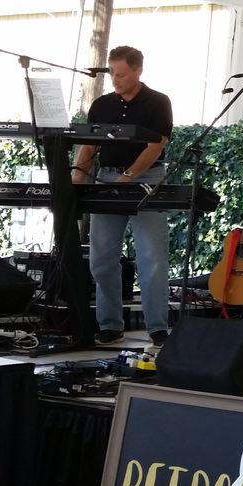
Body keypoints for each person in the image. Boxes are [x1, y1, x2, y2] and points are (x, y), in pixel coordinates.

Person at [73, 46, 174, 347]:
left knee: (152, 257)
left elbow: (156, 145)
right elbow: (89, 146)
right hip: (106, 179)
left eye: (121, 74)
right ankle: (110, 325)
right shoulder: (101, 104)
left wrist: (129, 176)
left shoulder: (159, 102)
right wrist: (77, 178)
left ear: (138, 71)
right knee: (101, 258)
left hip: (148, 179)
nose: (115, 80)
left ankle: (157, 327)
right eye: (112, 74)